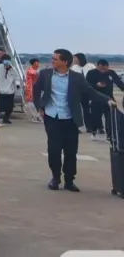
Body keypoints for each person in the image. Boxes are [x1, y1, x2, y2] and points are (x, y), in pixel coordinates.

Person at [32, 48, 116, 192]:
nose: (52, 61)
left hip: (70, 118)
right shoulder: (45, 74)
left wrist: (107, 100)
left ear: (65, 62)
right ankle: (55, 178)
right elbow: (36, 89)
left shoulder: (76, 77)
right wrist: (39, 105)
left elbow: (90, 91)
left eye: (55, 59)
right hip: (52, 117)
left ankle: (69, 180)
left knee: (71, 151)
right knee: (54, 149)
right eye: (52, 58)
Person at [85, 59, 124, 140]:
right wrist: (97, 85)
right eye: (103, 69)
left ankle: (110, 135)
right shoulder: (91, 73)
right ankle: (94, 132)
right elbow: (87, 85)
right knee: (95, 116)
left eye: (106, 68)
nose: (104, 70)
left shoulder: (111, 72)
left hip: (109, 98)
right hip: (96, 98)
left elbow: (118, 82)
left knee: (110, 117)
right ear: (98, 66)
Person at [0, 58, 21, 124]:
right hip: (0, 90)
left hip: (10, 91)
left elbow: (17, 78)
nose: (7, 65)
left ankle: (6, 118)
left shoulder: (13, 69)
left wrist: (17, 84)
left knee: (10, 107)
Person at [24, 58, 41, 123]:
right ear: (33, 64)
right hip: (30, 88)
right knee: (30, 102)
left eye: (38, 63)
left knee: (36, 102)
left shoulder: (36, 70)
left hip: (35, 87)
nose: (38, 64)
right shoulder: (30, 70)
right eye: (36, 63)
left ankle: (37, 116)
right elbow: (35, 73)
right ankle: (34, 116)